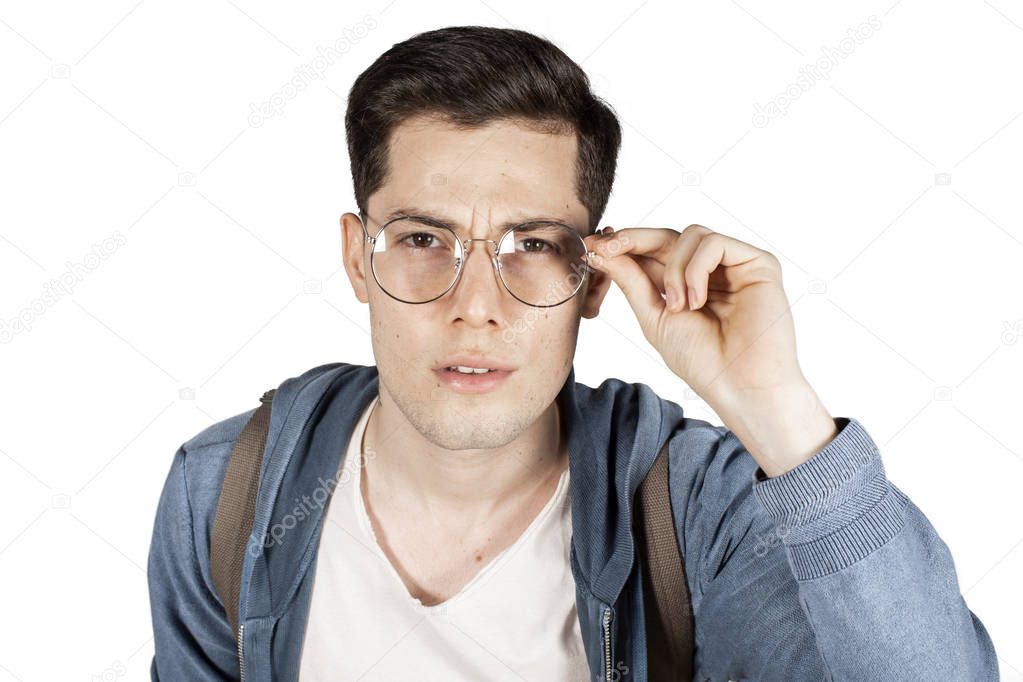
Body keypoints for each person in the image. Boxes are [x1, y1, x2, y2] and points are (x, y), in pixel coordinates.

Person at [147, 25, 998, 681]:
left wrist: (778, 411)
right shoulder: (229, 492)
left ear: (594, 279)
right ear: (355, 258)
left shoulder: (694, 514)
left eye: (532, 246)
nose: (473, 307)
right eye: (420, 238)